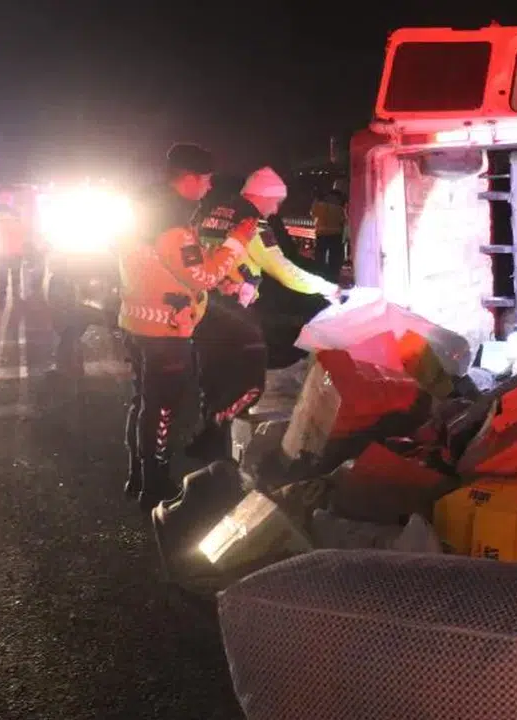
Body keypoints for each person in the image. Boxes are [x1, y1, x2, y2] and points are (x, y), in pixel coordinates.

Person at [118, 143, 255, 510]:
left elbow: (172, 269)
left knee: (144, 403)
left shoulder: (147, 213)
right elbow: (204, 273)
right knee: (161, 409)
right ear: (190, 179)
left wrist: (212, 278)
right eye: (206, 181)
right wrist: (238, 242)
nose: (209, 188)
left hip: (137, 323)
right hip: (164, 331)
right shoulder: (171, 225)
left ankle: (138, 476)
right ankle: (155, 485)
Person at [186, 166, 339, 460]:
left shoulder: (215, 212)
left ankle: (207, 435)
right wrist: (325, 287)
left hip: (204, 303)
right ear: (264, 195)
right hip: (233, 309)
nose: (276, 209)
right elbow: (282, 268)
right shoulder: (251, 221)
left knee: (213, 373)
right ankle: (221, 445)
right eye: (276, 201)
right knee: (249, 379)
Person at [0, 203, 27, 306]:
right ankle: (17, 298)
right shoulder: (16, 223)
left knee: (2, 278)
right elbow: (23, 235)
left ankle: (1, 299)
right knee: (15, 277)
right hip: (15, 254)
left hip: (3, 255)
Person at [310, 183, 347, 282]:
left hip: (321, 234)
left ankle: (320, 274)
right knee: (334, 258)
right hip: (335, 235)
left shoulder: (319, 205)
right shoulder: (339, 208)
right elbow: (343, 221)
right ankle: (333, 276)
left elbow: (313, 214)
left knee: (320, 257)